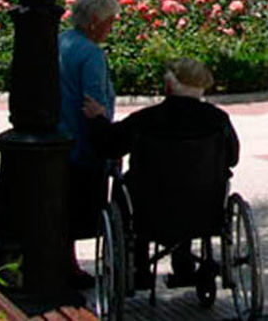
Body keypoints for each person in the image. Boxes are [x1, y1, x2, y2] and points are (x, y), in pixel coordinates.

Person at [83, 59, 238, 288]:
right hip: (204, 210)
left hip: (148, 211)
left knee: (132, 189)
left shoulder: (146, 119)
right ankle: (184, 267)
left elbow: (109, 146)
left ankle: (139, 269)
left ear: (168, 86)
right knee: (188, 185)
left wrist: (98, 119)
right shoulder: (218, 120)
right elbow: (232, 158)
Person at [57, 0, 121, 286]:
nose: (112, 27)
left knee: (61, 206)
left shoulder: (61, 41)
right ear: (95, 20)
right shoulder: (92, 54)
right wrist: (109, 138)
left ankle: (66, 261)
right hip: (83, 142)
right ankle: (70, 268)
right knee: (80, 209)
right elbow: (94, 102)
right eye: (110, 21)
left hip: (59, 138)